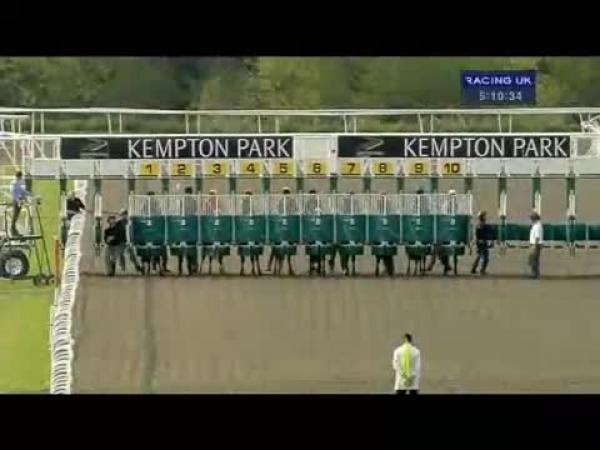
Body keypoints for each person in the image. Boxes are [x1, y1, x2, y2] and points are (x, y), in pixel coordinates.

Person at [116, 209, 143, 274]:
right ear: (121, 215)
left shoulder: (129, 223)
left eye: (125, 214)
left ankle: (137, 266)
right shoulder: (118, 223)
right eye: (123, 214)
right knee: (121, 254)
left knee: (132, 255)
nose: (124, 216)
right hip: (121, 242)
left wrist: (132, 240)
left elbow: (132, 232)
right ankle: (122, 266)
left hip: (128, 241)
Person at [9, 171, 31, 236]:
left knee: (16, 215)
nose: (21, 178)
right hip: (16, 201)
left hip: (20, 200)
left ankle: (14, 229)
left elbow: (22, 191)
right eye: (21, 177)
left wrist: (30, 194)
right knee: (15, 215)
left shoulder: (19, 182)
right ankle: (12, 230)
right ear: (19, 176)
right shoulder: (13, 183)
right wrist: (18, 200)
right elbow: (13, 193)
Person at [471, 211, 493, 276]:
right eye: (485, 216)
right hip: (482, 243)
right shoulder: (481, 225)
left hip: (481, 243)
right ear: (482, 217)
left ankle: (474, 269)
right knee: (485, 257)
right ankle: (482, 270)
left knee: (479, 256)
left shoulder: (480, 225)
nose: (486, 217)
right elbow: (479, 235)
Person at [528, 211, 543, 279]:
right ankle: (536, 273)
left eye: (531, 219)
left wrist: (534, 246)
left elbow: (537, 237)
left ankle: (534, 274)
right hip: (536, 245)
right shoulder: (537, 225)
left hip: (535, 245)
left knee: (533, 260)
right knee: (535, 260)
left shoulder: (537, 226)